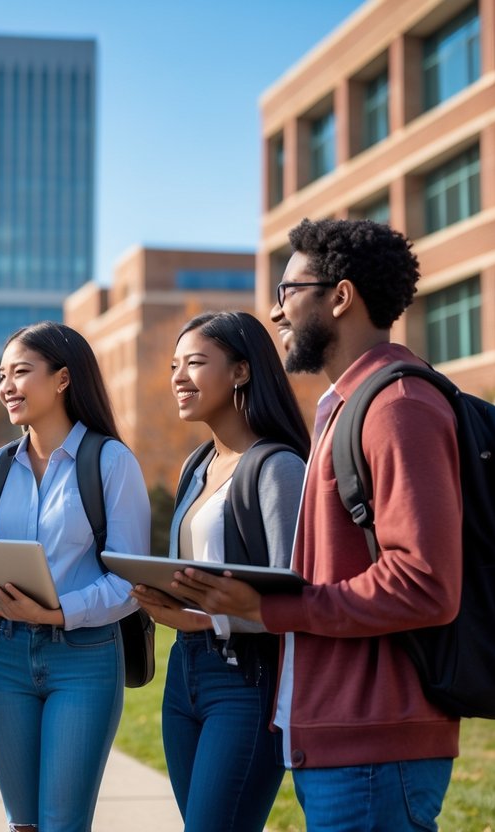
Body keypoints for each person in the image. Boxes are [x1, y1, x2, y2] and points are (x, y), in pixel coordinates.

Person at [175, 219, 463, 831]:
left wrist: (271, 607)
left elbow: (424, 584)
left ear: (339, 296)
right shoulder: (346, 407)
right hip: (337, 739)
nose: (276, 314)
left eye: (287, 293)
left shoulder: (397, 408)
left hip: (374, 748)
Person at [0, 321, 150, 832]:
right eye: (2, 374)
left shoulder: (111, 461)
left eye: (21, 372)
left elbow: (129, 581)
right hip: (5, 655)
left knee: (62, 822)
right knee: (22, 823)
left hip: (85, 659)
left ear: (64, 378)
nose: (6, 386)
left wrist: (56, 612)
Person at [130, 311, 308, 831]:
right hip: (184, 677)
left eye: (195, 363)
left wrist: (204, 620)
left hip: (246, 681)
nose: (178, 378)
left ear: (241, 372)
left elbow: (297, 601)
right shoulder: (197, 465)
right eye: (173, 366)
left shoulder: (278, 467)